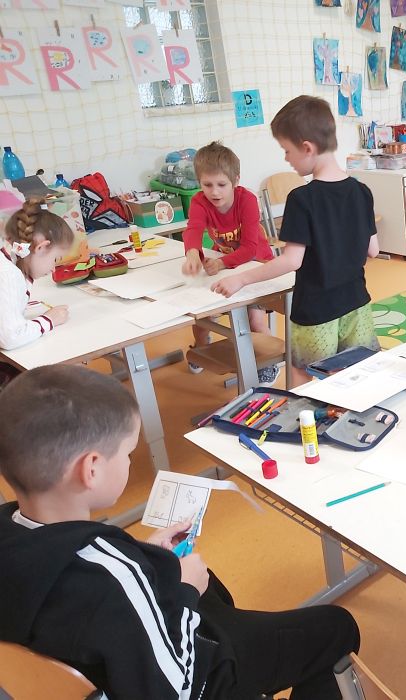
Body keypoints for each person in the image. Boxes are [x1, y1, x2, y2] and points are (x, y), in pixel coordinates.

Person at [0, 365, 360, 699]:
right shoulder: (113, 580)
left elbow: (87, 584)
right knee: (336, 627)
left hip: (110, 663)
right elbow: (177, 687)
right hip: (194, 676)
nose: (129, 461)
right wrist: (185, 591)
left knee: (206, 586)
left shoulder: (12, 531)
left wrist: (144, 557)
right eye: (127, 453)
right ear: (91, 469)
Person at [211, 96, 381, 386]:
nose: (286, 159)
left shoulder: (302, 198)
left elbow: (291, 261)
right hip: (356, 303)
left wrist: (241, 279)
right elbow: (373, 250)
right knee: (357, 376)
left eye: (287, 151)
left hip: (316, 310)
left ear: (307, 148)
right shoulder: (361, 191)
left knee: (304, 375)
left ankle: (301, 417)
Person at [180, 141, 279, 384]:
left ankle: (270, 361)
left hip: (256, 264)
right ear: (199, 183)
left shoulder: (247, 200)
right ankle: (201, 345)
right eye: (207, 185)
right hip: (224, 262)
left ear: (235, 180)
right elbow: (193, 229)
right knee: (203, 314)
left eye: (221, 185)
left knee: (255, 321)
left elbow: (249, 248)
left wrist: (222, 263)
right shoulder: (199, 202)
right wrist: (192, 253)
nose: (215, 192)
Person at [0, 199, 74, 388]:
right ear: (41, 248)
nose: (53, 268)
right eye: (55, 258)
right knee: (53, 382)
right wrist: (48, 320)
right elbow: (11, 337)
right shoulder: (8, 273)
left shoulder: (8, 260)